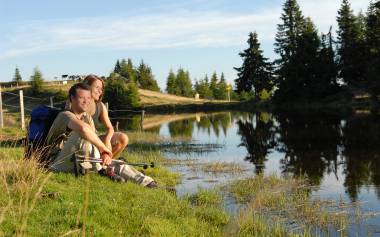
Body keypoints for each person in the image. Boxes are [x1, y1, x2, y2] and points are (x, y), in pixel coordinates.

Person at [47, 82, 156, 187]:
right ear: (72, 98)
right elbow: (84, 129)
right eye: (81, 98)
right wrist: (104, 149)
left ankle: (148, 183)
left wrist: (106, 155)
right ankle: (103, 170)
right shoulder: (65, 115)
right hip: (58, 162)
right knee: (83, 132)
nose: (86, 101)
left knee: (116, 163)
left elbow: (92, 138)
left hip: (79, 160)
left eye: (89, 98)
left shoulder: (87, 117)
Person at [66, 75, 128, 158]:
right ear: (87, 87)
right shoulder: (74, 102)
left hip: (93, 139)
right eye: (97, 87)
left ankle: (106, 162)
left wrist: (107, 139)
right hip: (74, 141)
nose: (100, 91)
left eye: (101, 89)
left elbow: (110, 128)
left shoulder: (101, 106)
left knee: (123, 138)